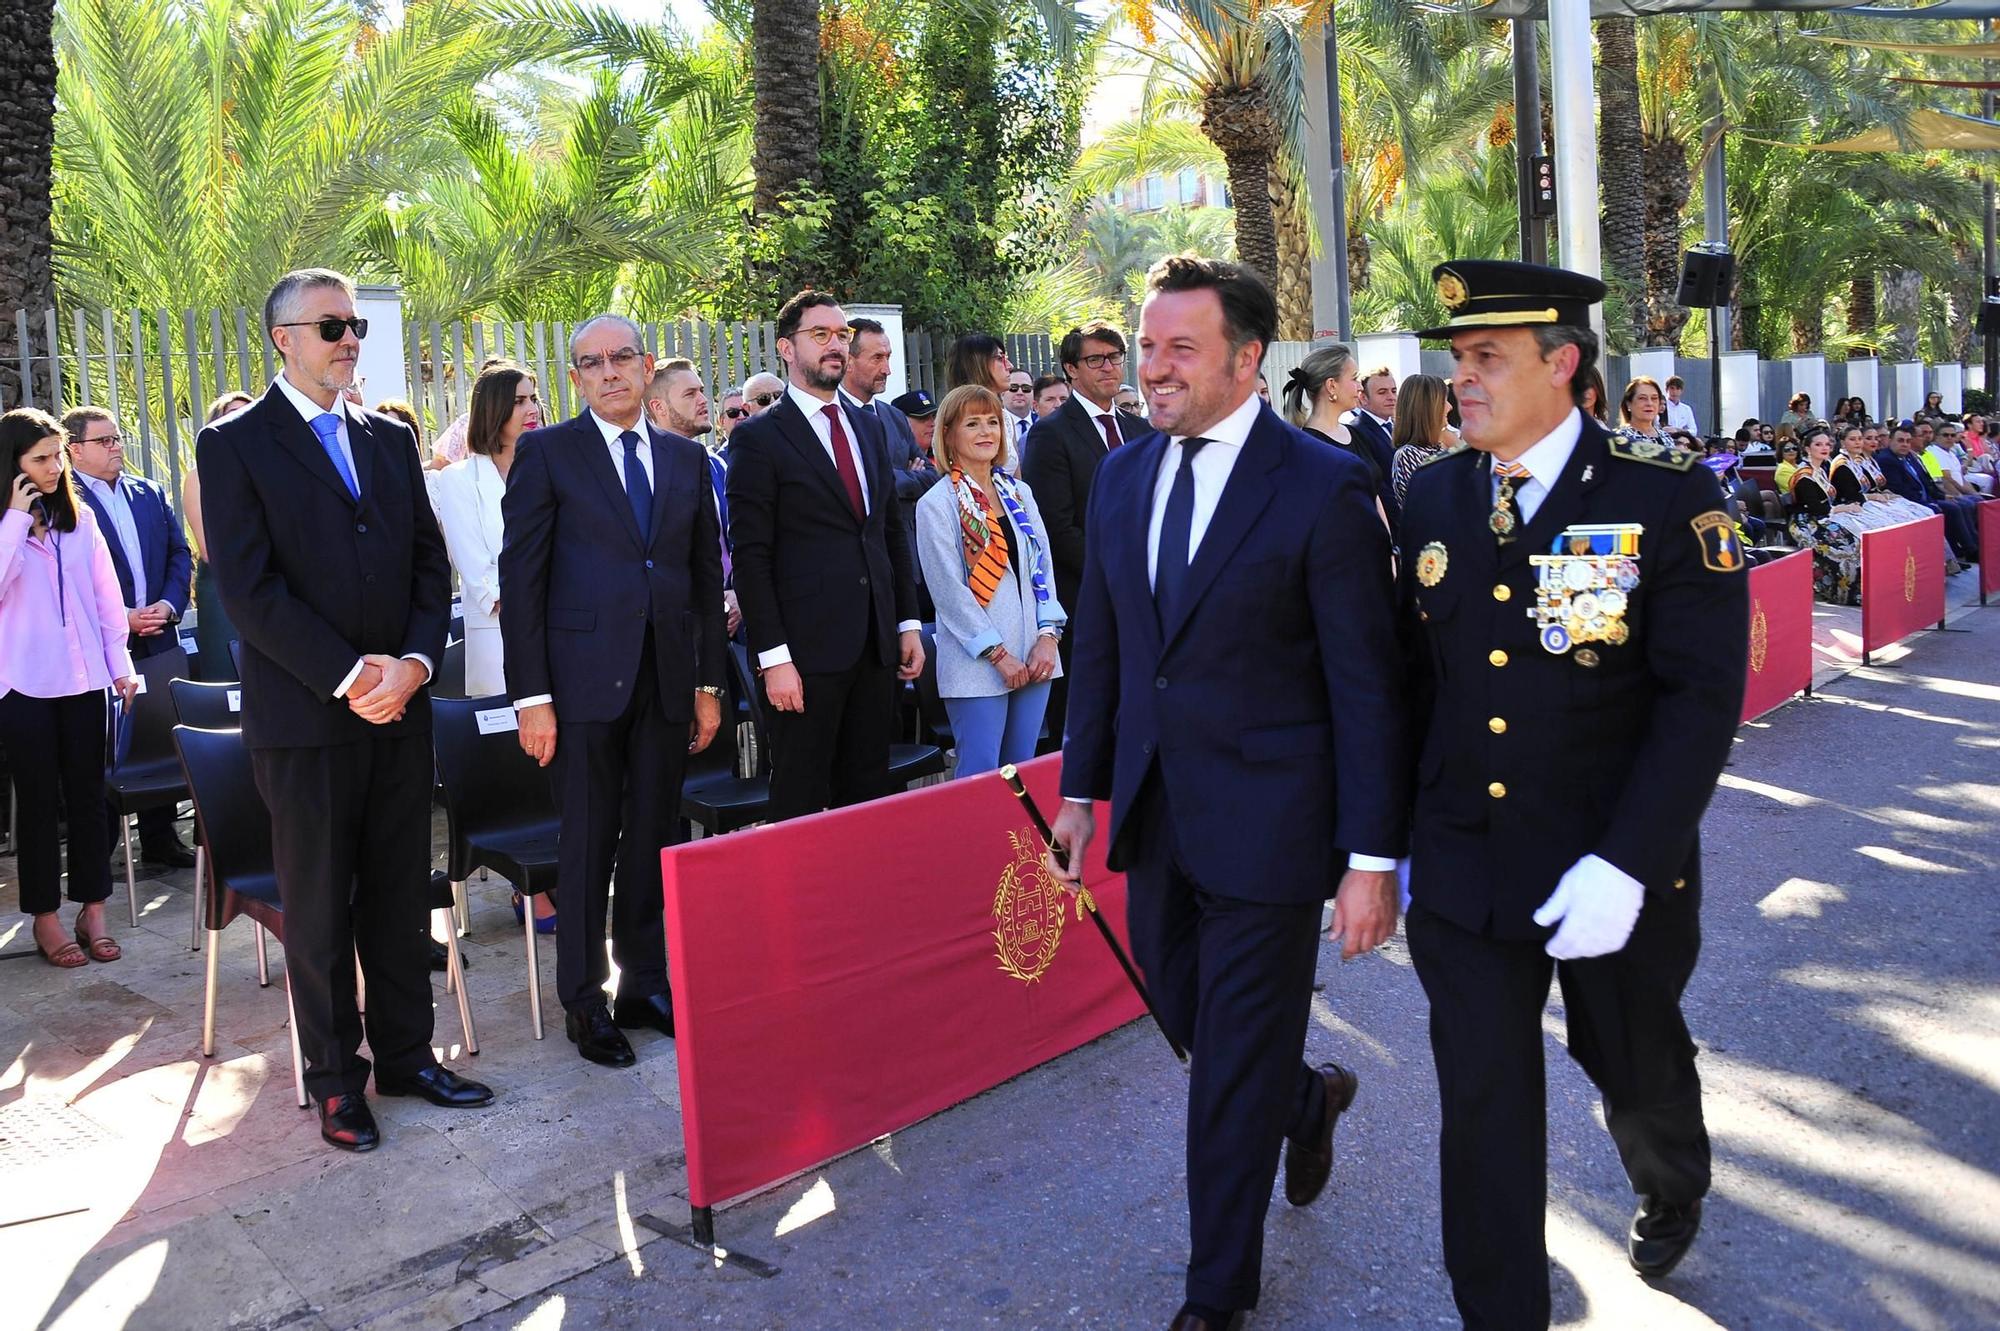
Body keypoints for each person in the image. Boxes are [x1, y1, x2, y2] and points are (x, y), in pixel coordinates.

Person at [1046, 256, 1406, 1331]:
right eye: (1145, 347)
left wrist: (1368, 858)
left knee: (1228, 1067)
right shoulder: (1122, 476)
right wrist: (1078, 790)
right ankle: (1307, 1097)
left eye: (1176, 349)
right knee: (1187, 1015)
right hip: (1156, 816)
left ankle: (1215, 1292)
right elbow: (1105, 650)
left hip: (1272, 828)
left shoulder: (1322, 484)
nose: (1149, 369)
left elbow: (1365, 686)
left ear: (1246, 359)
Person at [1402, 259, 1747, 1329]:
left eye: (1485, 358)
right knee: (1483, 1102)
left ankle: (1670, 1174)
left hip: (1610, 857)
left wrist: (1630, 859)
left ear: (1560, 363)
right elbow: (1414, 687)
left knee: (1629, 1056)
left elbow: (1699, 696)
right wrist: (1379, 848)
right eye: (1457, 358)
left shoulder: (1661, 491)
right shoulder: (1432, 492)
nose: (1461, 379)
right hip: (1467, 859)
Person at [199, 268, 491, 1152]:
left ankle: (408, 1055)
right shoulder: (235, 444)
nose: (350, 340)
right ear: (282, 338)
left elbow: (424, 565)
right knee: (321, 910)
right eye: (331, 326)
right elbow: (248, 590)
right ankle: (335, 1080)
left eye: (355, 324)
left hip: (399, 712)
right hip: (309, 721)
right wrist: (348, 676)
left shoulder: (387, 439)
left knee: (400, 896)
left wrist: (408, 664)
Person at [499, 315, 727, 1068]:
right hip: (579, 689)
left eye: (620, 358)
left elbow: (700, 581)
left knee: (655, 837)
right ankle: (585, 1001)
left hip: (664, 681)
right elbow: (521, 583)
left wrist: (705, 683)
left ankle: (642, 984)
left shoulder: (684, 459)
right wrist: (531, 697)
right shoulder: (545, 453)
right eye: (590, 363)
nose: (608, 372)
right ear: (577, 378)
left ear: (645, 364)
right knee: (588, 842)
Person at [726, 291, 924, 821]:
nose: (836, 345)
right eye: (821, 335)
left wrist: (906, 622)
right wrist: (774, 658)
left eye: (841, 335)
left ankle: (861, 904)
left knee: (868, 798)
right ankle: (798, 906)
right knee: (801, 800)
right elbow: (751, 557)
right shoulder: (759, 440)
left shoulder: (867, 425)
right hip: (803, 657)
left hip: (874, 646)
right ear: (787, 349)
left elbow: (887, 533)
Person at [1, 409, 139, 969]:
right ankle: (44, 918)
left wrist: (121, 665)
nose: (54, 468)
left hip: (85, 684)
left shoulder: (79, 522)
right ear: (12, 465)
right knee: (37, 806)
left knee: (90, 798)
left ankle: (94, 909)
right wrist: (14, 518)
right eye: (40, 459)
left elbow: (107, 600)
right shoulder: (7, 523)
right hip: (23, 687)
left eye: (57, 455)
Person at [63, 406, 197, 869]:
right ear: (74, 449)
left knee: (160, 732)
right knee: (107, 746)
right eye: (104, 441)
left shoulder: (149, 492)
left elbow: (180, 554)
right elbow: (69, 579)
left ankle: (161, 839)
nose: (117, 446)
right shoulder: (63, 501)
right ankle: (99, 854)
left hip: (159, 635)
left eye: (117, 438)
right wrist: (122, 617)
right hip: (103, 645)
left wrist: (168, 605)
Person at [914, 385, 1065, 775]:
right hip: (977, 665)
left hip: (1036, 657)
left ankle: (1017, 842)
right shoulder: (936, 503)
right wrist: (997, 654)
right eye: (973, 423)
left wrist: (1049, 638)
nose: (986, 432)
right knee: (981, 780)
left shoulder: (1020, 493)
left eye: (993, 422)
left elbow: (1043, 570)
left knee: (1024, 775)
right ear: (948, 434)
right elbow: (948, 592)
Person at [1021, 322, 1147, 748]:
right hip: (1085, 600)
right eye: (1096, 359)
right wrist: (1116, 574)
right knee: (1082, 725)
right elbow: (1056, 527)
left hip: (1145, 600)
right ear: (1071, 370)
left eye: (1115, 357)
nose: (1109, 367)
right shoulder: (1051, 433)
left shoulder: (1140, 431)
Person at [434, 362, 540, 698]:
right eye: (519, 401)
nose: (532, 409)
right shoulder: (458, 478)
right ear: (493, 409)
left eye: (533, 398)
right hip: (499, 633)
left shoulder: (549, 471)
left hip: (561, 632)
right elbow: (474, 567)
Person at [842, 320, 938, 620]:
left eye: (888, 357)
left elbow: (931, 477)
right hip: (857, 574)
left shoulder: (894, 417)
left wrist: (892, 478)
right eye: (877, 358)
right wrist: (899, 477)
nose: (887, 369)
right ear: (847, 361)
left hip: (910, 565)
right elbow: (857, 485)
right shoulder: (833, 421)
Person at [647, 357, 742, 637]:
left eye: (701, 390)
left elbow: (742, 538)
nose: (703, 400)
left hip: (734, 626)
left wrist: (737, 594)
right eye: (690, 394)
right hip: (677, 629)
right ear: (658, 407)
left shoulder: (718, 466)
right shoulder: (645, 472)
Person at [182, 391, 255, 683]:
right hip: (224, 588)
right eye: (232, 414)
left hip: (274, 589)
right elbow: (210, 548)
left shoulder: (271, 470)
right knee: (228, 677)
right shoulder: (199, 476)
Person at [1282, 344, 1388, 532]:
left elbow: (1374, 495)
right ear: (1332, 385)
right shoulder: (1306, 448)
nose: (1360, 387)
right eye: (1354, 378)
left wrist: (1388, 550)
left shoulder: (1356, 434)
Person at [1788, 430, 1862, 603]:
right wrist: (1842, 508)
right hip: (1806, 523)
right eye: (1818, 444)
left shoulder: (1820, 470)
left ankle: (1854, 590)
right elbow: (1816, 508)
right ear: (1807, 448)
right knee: (1846, 547)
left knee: (1857, 538)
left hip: (1822, 517)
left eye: (1827, 444)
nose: (1824, 448)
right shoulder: (1804, 475)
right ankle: (1841, 593)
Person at [1341, 364, 1400, 522]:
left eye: (1394, 391)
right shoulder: (1356, 431)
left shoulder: (1397, 427)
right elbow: (1378, 486)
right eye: (1382, 392)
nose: (1391, 397)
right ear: (1363, 398)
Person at [1389, 373, 1455, 509]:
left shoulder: (1441, 447)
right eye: (1444, 401)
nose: (1450, 407)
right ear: (1428, 408)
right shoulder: (1408, 455)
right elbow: (1437, 503)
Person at [1616, 376, 1673, 445]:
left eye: (1654, 398)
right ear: (1628, 404)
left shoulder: (1666, 436)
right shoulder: (1622, 438)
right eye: (1642, 398)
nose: (1649, 403)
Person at [1000, 366, 1037, 455]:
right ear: (1002, 393)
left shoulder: (1042, 422)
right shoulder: (995, 423)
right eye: (1013, 387)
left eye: (1026, 388)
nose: (1020, 392)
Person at [890, 388, 938, 457]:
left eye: (934, 416)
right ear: (901, 423)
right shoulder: (889, 461)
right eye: (923, 418)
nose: (933, 424)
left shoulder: (944, 461)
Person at [714, 386, 747, 453]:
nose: (742, 416)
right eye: (733, 412)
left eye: (746, 411)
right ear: (722, 421)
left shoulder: (766, 449)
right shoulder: (714, 457)